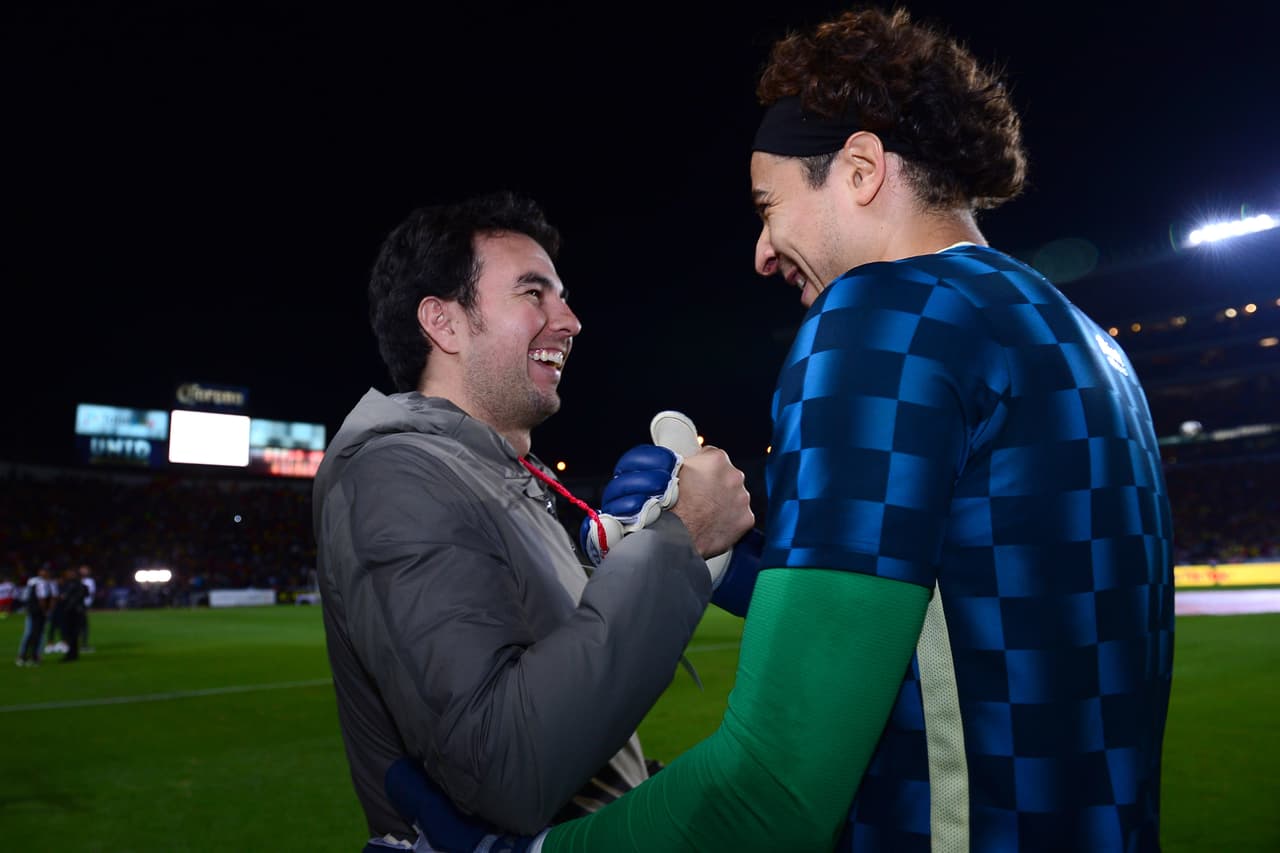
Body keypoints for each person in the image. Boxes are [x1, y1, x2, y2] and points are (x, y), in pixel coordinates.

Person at [410, 6, 1175, 852]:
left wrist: (535, 851)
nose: (763, 251)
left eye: (769, 206)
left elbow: (772, 790)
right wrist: (729, 551)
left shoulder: (883, 316)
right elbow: (958, 611)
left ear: (858, 170)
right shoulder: (1085, 339)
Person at [312, 190, 755, 850]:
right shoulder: (396, 475)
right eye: (533, 293)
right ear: (445, 322)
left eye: (563, 295)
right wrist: (681, 540)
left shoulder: (505, 475)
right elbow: (505, 764)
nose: (570, 319)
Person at [16, 564, 53, 666]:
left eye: (47, 571)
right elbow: (41, 598)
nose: (45, 572)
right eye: (43, 570)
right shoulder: (36, 581)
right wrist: (45, 610)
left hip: (36, 611)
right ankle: (26, 656)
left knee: (37, 634)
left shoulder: (44, 582)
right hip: (36, 611)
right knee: (32, 633)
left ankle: (32, 655)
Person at [78, 564, 97, 652]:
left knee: (82, 626)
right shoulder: (77, 581)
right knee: (82, 626)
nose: (84, 571)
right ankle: (83, 646)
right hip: (79, 605)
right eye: (83, 569)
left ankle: (82, 644)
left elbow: (92, 593)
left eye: (86, 569)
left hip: (84, 605)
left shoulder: (90, 581)